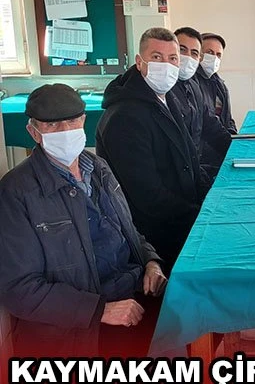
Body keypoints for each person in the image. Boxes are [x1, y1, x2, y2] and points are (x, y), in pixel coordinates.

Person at [0, 84, 167, 357]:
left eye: (72, 121)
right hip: (81, 327)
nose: (65, 131)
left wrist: (150, 262)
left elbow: (127, 230)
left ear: (84, 121)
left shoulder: (98, 168)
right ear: (34, 132)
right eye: (52, 125)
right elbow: (19, 289)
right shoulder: (17, 193)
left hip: (133, 294)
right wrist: (100, 311)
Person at [97, 27, 206, 271]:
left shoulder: (166, 98)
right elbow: (147, 196)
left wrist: (209, 196)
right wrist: (198, 213)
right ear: (139, 62)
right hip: (154, 236)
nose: (166, 65)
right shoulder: (124, 117)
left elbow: (189, 158)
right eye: (157, 57)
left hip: (180, 215)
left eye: (172, 58)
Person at [170, 26, 231, 175]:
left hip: (194, 166)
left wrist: (235, 147)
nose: (188, 57)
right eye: (182, 50)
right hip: (182, 169)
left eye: (194, 53)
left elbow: (212, 124)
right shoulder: (164, 89)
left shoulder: (195, 86)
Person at [196, 32, 237, 134]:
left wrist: (234, 135)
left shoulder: (220, 84)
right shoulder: (192, 83)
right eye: (209, 52)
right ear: (198, 54)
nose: (214, 58)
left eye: (218, 55)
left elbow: (228, 118)